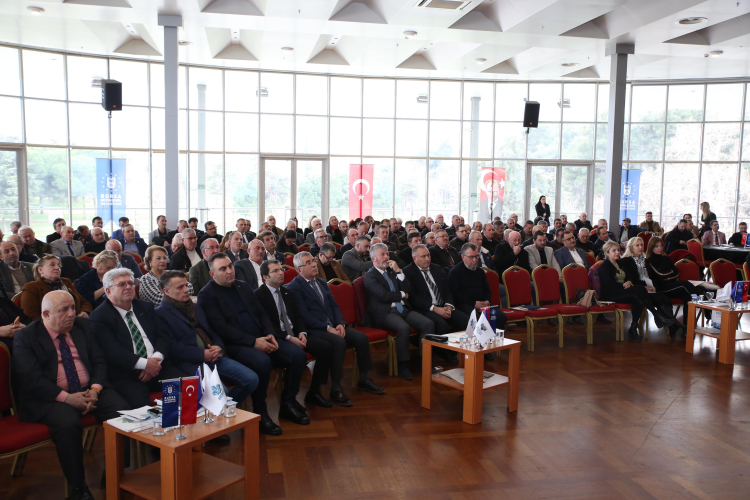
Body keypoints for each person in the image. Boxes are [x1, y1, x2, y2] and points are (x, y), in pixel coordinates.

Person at [12, 290, 129, 500]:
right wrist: (68, 398)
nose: (72, 313)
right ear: (46, 315)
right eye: (64, 309)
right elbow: (32, 380)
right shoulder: (26, 337)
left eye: (73, 307)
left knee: (124, 413)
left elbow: (99, 362)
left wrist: (95, 390)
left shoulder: (83, 326)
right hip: (50, 396)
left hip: (90, 389)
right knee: (68, 424)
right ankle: (78, 488)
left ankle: (114, 473)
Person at [199, 253, 308, 435]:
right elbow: (221, 328)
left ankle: (288, 402)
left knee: (298, 355)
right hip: (235, 345)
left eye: (230, 266)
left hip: (261, 338)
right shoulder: (207, 295)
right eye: (223, 269)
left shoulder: (242, 285)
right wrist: (254, 342)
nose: (229, 271)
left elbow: (261, 313)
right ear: (212, 274)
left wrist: (270, 334)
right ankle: (260, 412)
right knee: (262, 362)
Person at [156, 271, 259, 419]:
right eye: (180, 287)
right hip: (191, 362)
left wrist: (218, 346)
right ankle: (220, 419)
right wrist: (202, 354)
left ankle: (222, 413)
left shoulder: (196, 307)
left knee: (251, 379)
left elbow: (211, 331)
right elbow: (172, 347)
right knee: (220, 392)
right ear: (166, 291)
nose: (186, 290)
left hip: (214, 356)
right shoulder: (160, 314)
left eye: (186, 285)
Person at [288, 251, 384, 398]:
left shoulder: (321, 282)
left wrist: (340, 323)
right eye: (308, 263)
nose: (314, 264)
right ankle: (336, 387)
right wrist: (327, 328)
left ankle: (364, 378)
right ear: (299, 270)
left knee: (361, 338)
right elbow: (304, 315)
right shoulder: (294, 287)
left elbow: (334, 305)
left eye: (313, 261)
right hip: (314, 329)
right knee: (339, 342)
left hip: (333, 325)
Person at [89, 268, 188, 409]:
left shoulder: (144, 307)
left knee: (189, 387)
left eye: (130, 283)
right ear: (108, 291)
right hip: (128, 374)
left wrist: (155, 361)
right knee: (142, 409)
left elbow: (163, 336)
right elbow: (112, 351)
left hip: (158, 366)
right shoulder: (99, 316)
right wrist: (145, 364)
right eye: (122, 284)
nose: (128, 287)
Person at [254, 260, 337, 407]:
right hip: (277, 337)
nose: (281, 273)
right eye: (275, 271)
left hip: (295, 334)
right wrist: (289, 338)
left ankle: (314, 392)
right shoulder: (259, 296)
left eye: (281, 269)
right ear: (265, 277)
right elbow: (267, 324)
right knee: (298, 355)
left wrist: (302, 333)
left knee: (326, 348)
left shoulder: (287, 292)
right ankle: (288, 400)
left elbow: (298, 316)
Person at [363, 243, 434, 380]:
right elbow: (384, 296)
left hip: (402, 309)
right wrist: (402, 294)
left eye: (387, 254)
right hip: (385, 312)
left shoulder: (392, 271)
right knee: (403, 328)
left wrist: (399, 271)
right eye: (382, 254)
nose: (386, 257)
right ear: (373, 259)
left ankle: (424, 361)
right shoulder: (370, 276)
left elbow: (408, 288)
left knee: (428, 324)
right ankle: (403, 365)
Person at [598, 241, 680, 343]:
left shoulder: (620, 263)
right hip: (611, 294)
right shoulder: (604, 266)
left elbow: (629, 277)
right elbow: (609, 284)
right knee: (639, 290)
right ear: (607, 253)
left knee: (638, 298)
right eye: (614, 251)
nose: (617, 252)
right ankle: (656, 315)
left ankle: (633, 328)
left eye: (618, 250)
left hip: (624, 291)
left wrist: (628, 282)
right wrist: (623, 285)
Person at [403, 245, 470, 340]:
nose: (427, 259)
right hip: (426, 309)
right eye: (423, 256)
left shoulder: (436, 268)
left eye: (428, 255)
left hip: (444, 306)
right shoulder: (408, 272)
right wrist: (435, 309)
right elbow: (413, 298)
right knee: (442, 325)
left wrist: (449, 305)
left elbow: (447, 290)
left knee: (466, 320)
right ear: (414, 258)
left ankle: (462, 347)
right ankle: (444, 349)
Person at [645, 237, 704, 331]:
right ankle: (704, 299)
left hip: (672, 286)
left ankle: (687, 327)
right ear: (651, 248)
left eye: (661, 245)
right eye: (656, 246)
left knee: (688, 297)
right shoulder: (649, 261)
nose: (660, 248)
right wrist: (669, 274)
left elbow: (676, 273)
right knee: (685, 284)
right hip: (661, 288)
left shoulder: (666, 258)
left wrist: (667, 276)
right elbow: (660, 275)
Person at [448, 243, 507, 328]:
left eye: (476, 256)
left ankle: (492, 336)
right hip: (464, 304)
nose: (475, 260)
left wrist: (487, 301)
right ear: (463, 257)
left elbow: (487, 290)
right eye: (471, 257)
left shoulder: (480, 271)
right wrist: (474, 303)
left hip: (482, 304)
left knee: (501, 317)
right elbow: (455, 294)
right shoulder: (455, 272)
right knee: (477, 319)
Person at [21, 255, 92, 320]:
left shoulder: (66, 282)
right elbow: (31, 315)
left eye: (59, 265)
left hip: (76, 320)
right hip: (51, 326)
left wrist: (84, 312)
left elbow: (83, 302)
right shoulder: (31, 287)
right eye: (52, 265)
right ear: (40, 270)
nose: (57, 268)